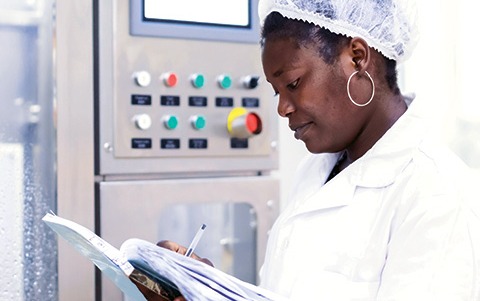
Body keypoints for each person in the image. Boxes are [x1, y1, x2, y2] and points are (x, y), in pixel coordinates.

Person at [138, 0, 480, 300]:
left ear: (356, 57)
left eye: (293, 84)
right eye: (276, 93)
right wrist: (206, 289)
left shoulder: (437, 194)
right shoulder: (316, 171)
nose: (282, 109)